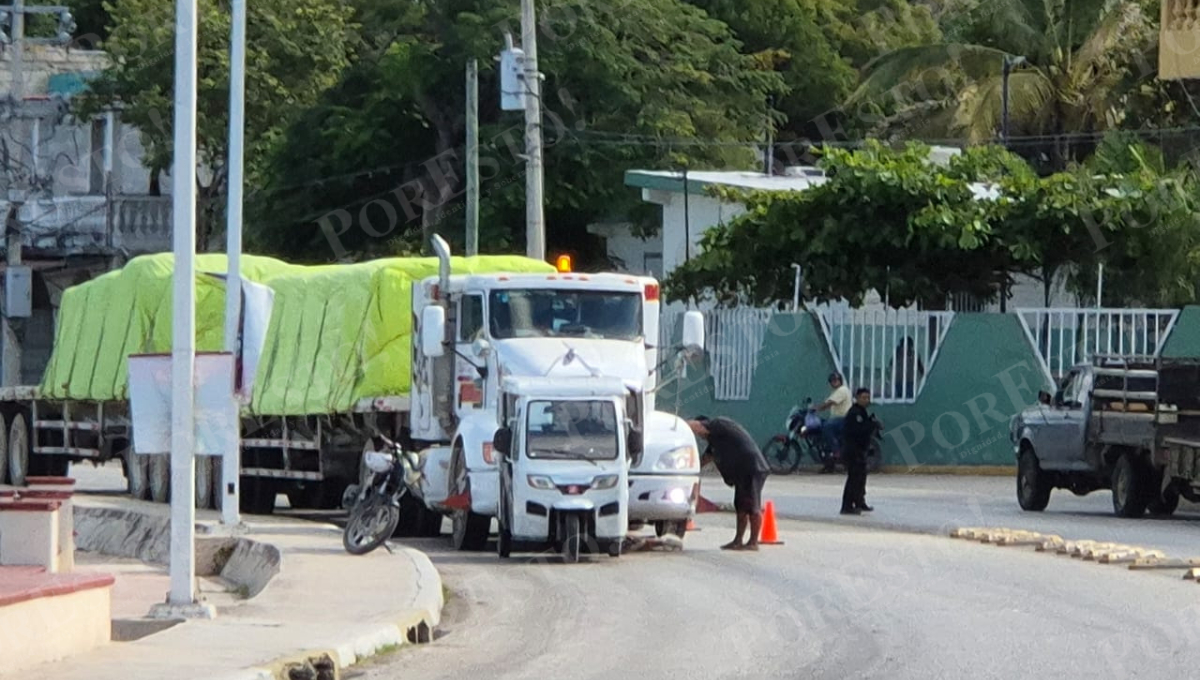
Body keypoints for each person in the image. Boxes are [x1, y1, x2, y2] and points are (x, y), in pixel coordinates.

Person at [688, 416, 770, 551]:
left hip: (752, 467)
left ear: (703, 425)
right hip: (742, 471)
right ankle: (738, 540)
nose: (700, 436)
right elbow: (703, 460)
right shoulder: (715, 442)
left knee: (752, 505)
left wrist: (678, 425)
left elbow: (695, 425)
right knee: (740, 506)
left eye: (699, 433)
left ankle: (753, 542)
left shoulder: (718, 424)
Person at [840, 388, 877, 515]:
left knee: (861, 477)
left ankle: (860, 502)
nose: (866, 400)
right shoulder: (855, 413)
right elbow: (858, 431)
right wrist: (871, 425)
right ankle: (847, 506)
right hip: (853, 450)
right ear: (857, 398)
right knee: (854, 478)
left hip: (860, 450)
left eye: (868, 397)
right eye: (864, 397)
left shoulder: (862, 412)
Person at [815, 372, 852, 471]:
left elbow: (830, 403)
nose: (834, 382)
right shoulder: (835, 392)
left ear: (840, 381)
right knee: (822, 424)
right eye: (832, 381)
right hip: (837, 419)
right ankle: (829, 462)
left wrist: (817, 408)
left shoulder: (842, 390)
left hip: (843, 419)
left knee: (827, 427)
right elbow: (828, 402)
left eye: (836, 380)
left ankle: (836, 451)